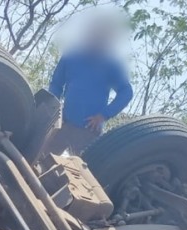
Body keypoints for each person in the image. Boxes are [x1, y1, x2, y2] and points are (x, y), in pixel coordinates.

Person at [41, 12, 133, 157]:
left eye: (102, 37)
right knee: (40, 158)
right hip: (63, 124)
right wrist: (55, 110)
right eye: (94, 34)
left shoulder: (112, 65)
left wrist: (103, 115)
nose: (97, 39)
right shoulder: (71, 57)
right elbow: (56, 85)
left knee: (82, 169)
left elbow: (126, 92)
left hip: (89, 131)